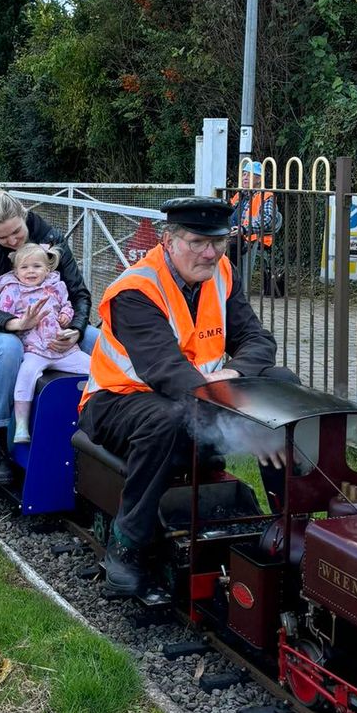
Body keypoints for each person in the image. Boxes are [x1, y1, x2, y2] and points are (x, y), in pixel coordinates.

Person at [78, 196, 298, 598]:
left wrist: (237, 378)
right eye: (198, 242)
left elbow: (259, 341)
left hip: (201, 394)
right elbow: (169, 373)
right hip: (118, 400)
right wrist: (247, 415)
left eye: (218, 242)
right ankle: (126, 544)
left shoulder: (221, 273)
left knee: (283, 385)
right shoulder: (135, 290)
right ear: (168, 240)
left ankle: (289, 524)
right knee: (170, 416)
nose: (210, 252)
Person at [0, 185, 99, 485]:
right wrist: (15, 323)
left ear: (23, 215)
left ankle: (104, 418)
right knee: (9, 349)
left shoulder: (52, 239)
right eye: (2, 238)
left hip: (53, 328)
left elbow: (78, 293)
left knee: (96, 340)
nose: (12, 242)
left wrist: (75, 329)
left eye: (17, 232)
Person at [0, 243, 94, 444]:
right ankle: (21, 425)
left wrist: (67, 316)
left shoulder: (56, 286)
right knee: (26, 376)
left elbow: (67, 304)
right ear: (15, 271)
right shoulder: (12, 290)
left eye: (37, 266)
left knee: (95, 368)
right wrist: (19, 320)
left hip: (62, 348)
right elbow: (1, 314)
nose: (31, 271)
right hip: (34, 349)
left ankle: (96, 414)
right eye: (24, 267)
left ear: (47, 269)